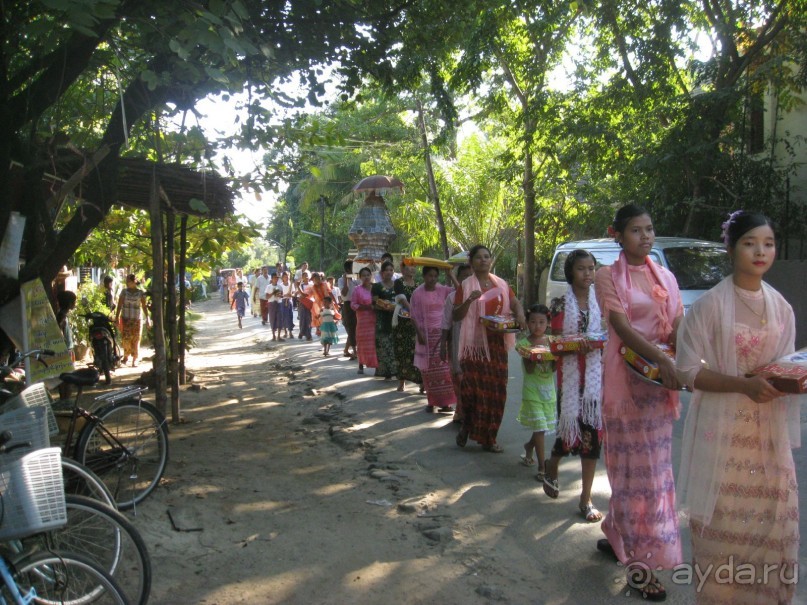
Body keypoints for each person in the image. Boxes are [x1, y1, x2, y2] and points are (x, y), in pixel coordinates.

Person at [676, 211, 801, 604]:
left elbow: (786, 365)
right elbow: (685, 372)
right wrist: (743, 386)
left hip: (769, 435)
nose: (761, 251)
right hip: (723, 437)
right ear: (730, 248)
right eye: (750, 243)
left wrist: (792, 381)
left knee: (773, 525)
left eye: (768, 243)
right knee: (723, 529)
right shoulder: (710, 305)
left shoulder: (781, 307)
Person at [593, 204, 682, 601]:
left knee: (654, 472)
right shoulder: (605, 276)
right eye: (635, 230)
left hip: (657, 387)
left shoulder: (664, 275)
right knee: (633, 476)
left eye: (649, 229)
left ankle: (616, 530)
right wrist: (661, 357)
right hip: (626, 386)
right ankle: (640, 568)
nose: (645, 237)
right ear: (619, 235)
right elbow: (621, 326)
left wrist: (680, 355)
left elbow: (678, 322)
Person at [545, 249, 604, 524]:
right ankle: (552, 464)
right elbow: (553, 346)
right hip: (568, 380)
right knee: (568, 437)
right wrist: (573, 345)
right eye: (582, 268)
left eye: (591, 268)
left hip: (593, 384)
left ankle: (585, 498)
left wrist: (595, 342)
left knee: (592, 440)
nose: (588, 273)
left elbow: (607, 335)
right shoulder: (558, 305)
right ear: (571, 272)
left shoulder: (600, 302)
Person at [453, 244, 526, 453]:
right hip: (474, 347)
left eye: (486, 257)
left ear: (491, 260)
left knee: (496, 392)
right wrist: (469, 300)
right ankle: (467, 425)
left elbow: (514, 302)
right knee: (471, 392)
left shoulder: (501, 284)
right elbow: (456, 315)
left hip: (496, 344)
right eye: (478, 258)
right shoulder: (466, 285)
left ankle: (489, 437)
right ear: (471, 262)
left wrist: (520, 314)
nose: (483, 260)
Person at [411, 264, 459, 410]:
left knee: (444, 370)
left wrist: (451, 275)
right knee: (428, 372)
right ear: (424, 276)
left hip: (441, 335)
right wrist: (419, 335)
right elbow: (413, 316)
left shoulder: (443, 290)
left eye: (435, 276)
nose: (432, 279)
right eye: (429, 276)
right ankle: (431, 402)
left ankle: (445, 403)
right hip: (426, 335)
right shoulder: (417, 293)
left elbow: (459, 292)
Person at [516, 304, 556, 475]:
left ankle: (529, 446)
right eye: (533, 322)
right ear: (527, 322)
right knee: (540, 428)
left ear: (548, 323)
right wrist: (535, 357)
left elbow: (553, 369)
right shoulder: (524, 344)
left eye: (541, 322)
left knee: (543, 427)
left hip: (548, 391)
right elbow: (530, 370)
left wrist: (554, 357)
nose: (537, 326)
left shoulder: (552, 342)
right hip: (531, 392)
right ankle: (542, 467)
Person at [440, 263, 472, 423]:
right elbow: (446, 323)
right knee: (458, 378)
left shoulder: (481, 296)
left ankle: (468, 412)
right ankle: (460, 409)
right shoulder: (452, 298)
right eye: (463, 276)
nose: (467, 279)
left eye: (469, 276)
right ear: (458, 279)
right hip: (456, 342)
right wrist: (442, 346)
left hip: (475, 346)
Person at [392, 263, 422, 392]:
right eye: (409, 266)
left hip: (415, 321)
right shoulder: (398, 282)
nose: (412, 269)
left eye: (413, 266)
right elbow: (403, 299)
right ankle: (402, 381)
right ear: (402, 269)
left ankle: (421, 381)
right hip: (402, 321)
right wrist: (413, 311)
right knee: (401, 349)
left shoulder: (418, 284)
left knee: (416, 350)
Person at [115, 274, 150, 367]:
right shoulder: (124, 292)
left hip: (137, 320)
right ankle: (126, 357)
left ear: (134, 282)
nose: (127, 283)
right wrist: (117, 317)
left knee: (136, 339)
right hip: (126, 319)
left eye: (128, 281)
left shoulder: (140, 293)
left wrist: (148, 318)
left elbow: (144, 306)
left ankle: (135, 359)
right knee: (126, 339)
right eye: (126, 281)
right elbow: (119, 305)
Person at [371, 260, 399, 380]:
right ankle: (386, 372)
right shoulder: (377, 286)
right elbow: (373, 304)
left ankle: (398, 372)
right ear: (382, 273)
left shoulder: (398, 285)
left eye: (391, 270)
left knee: (396, 346)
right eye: (386, 270)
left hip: (397, 319)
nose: (389, 272)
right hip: (382, 320)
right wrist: (384, 307)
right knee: (383, 346)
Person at [352, 267, 378, 374]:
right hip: (362, 320)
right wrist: (364, 307)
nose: (366, 277)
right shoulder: (357, 289)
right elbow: (353, 304)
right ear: (360, 277)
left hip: (375, 319)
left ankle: (377, 366)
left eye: (368, 275)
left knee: (375, 342)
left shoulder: (376, 288)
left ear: (371, 276)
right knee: (362, 342)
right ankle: (361, 365)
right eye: (364, 275)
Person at [338, 260, 358, 359]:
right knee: (350, 328)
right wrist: (346, 281)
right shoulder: (341, 280)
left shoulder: (356, 279)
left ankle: (347, 350)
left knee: (356, 328)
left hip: (358, 304)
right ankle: (354, 350)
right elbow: (344, 294)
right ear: (348, 269)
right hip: (348, 304)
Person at [265, 273, 283, 340]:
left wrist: (279, 295)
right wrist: (273, 293)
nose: (276, 279)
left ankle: (278, 336)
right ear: (272, 279)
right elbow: (266, 297)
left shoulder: (280, 286)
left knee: (279, 319)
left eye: (277, 278)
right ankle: (273, 335)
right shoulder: (268, 287)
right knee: (272, 319)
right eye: (275, 278)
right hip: (271, 304)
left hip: (278, 303)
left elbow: (282, 296)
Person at [278, 271, 295, 339]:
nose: (287, 277)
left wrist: (291, 295)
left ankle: (290, 332)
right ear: (283, 278)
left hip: (289, 301)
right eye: (285, 276)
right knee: (284, 317)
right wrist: (285, 295)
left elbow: (293, 293)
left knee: (290, 317)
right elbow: (279, 295)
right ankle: (285, 332)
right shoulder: (280, 285)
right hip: (283, 301)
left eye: (288, 276)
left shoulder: (291, 284)